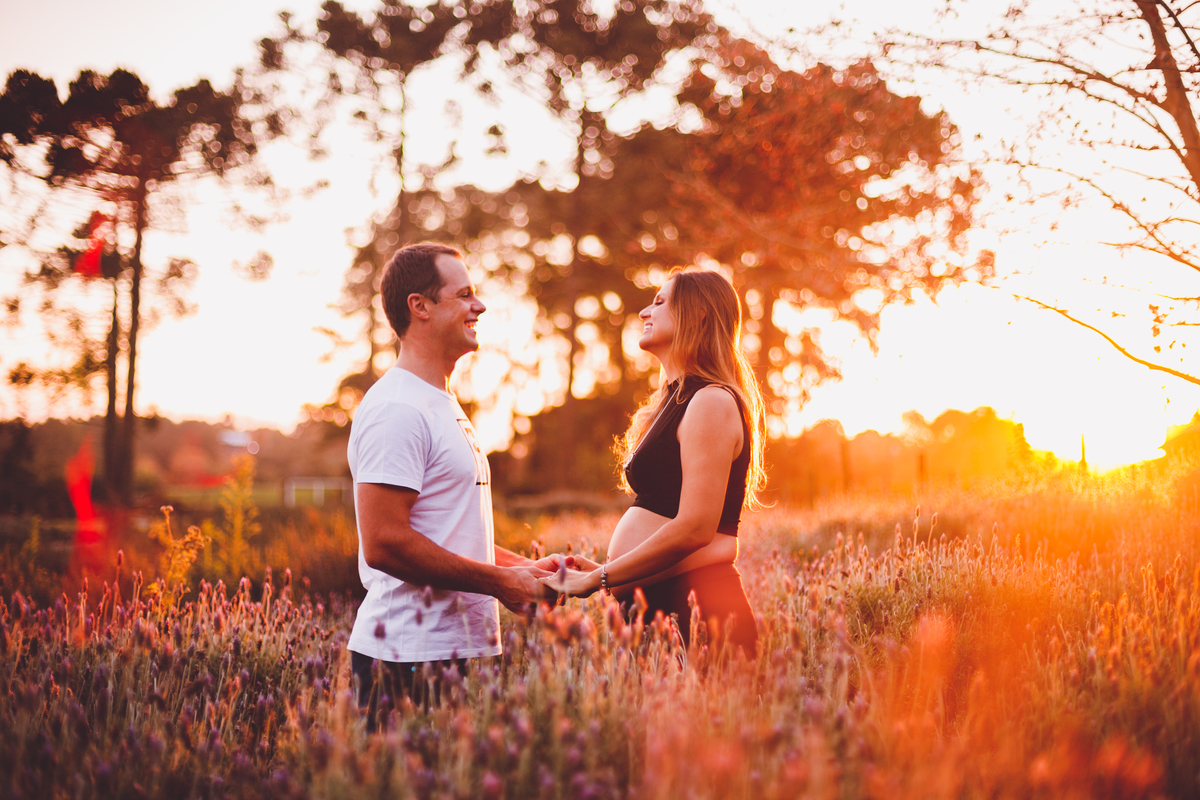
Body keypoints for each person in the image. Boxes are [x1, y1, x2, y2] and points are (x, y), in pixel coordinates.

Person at [346, 242, 556, 716]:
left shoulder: (440, 401)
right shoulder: (397, 407)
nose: (478, 306)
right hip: (406, 659)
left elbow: (444, 532)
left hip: (459, 653)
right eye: (464, 295)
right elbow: (385, 542)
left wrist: (526, 570)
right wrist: (501, 583)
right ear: (419, 307)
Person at [544, 268, 766, 658]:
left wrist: (599, 578)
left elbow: (697, 528)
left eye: (661, 302)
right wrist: (608, 568)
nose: (645, 311)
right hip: (659, 608)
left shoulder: (710, 401)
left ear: (697, 315)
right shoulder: (676, 400)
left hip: (698, 608)